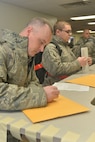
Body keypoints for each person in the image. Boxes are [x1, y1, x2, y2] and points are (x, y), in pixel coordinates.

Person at [0, 17, 59, 111]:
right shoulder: (3, 50)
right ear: (29, 31)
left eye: (44, 45)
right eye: (41, 42)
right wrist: (41, 95)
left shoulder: (27, 55)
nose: (42, 49)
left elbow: (33, 82)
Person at [41, 20, 92, 86]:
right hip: (56, 85)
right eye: (67, 31)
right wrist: (78, 63)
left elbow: (71, 62)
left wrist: (84, 62)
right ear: (58, 32)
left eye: (70, 31)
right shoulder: (51, 47)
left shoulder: (65, 46)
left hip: (68, 82)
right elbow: (55, 69)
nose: (70, 34)